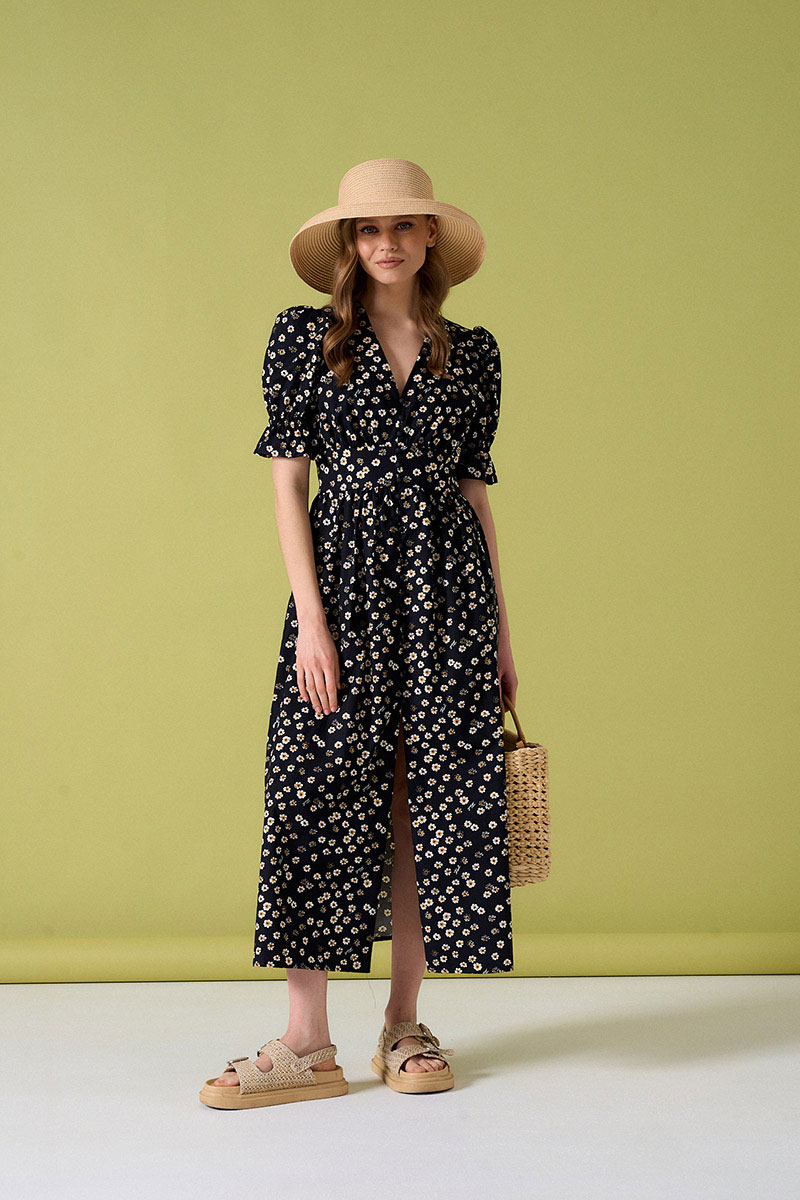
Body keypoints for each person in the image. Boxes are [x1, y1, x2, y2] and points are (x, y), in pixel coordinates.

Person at [199, 159, 518, 1110]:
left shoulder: (474, 353)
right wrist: (311, 619)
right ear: (350, 244)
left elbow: (474, 496)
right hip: (342, 588)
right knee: (314, 791)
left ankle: (403, 1025)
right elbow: (288, 481)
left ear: (430, 238)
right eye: (367, 229)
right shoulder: (307, 339)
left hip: (449, 597)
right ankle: (307, 1041)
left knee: (425, 803)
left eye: (402, 226)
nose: (385, 243)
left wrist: (502, 632)